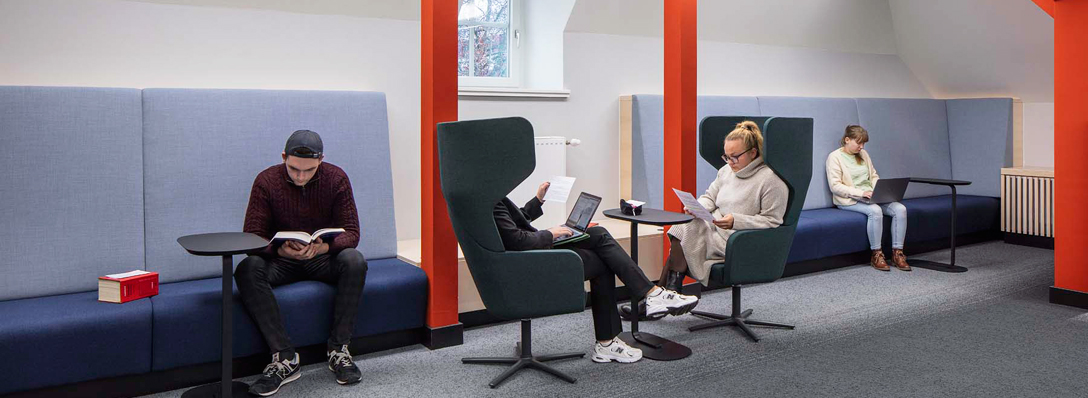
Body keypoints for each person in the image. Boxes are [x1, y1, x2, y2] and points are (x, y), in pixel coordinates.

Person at [495, 183, 698, 364]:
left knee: (597, 235)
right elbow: (517, 241)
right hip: (527, 263)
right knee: (602, 255)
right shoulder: (491, 201)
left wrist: (538, 201)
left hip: (528, 252)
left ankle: (649, 296)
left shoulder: (487, 195)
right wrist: (551, 234)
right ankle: (616, 331)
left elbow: (514, 225)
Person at [235, 130, 368, 396]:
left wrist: (324, 247)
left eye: (308, 170)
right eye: (294, 169)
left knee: (355, 260)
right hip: (282, 262)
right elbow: (252, 236)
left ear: (321, 160)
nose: (300, 176)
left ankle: (338, 350)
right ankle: (285, 358)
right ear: (284, 157)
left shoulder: (336, 178)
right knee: (247, 268)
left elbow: (352, 233)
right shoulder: (266, 181)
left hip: (321, 259)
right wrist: (280, 251)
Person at [661, 121, 789, 289]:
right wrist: (697, 207)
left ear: (753, 153)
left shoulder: (771, 180)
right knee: (682, 228)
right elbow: (710, 197)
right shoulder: (725, 171)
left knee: (682, 242)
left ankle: (663, 296)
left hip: (739, 238)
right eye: (727, 156)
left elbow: (772, 220)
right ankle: (667, 294)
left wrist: (735, 221)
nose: (730, 162)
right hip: (715, 228)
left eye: (735, 156)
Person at [825, 125, 910, 272]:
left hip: (871, 196)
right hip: (849, 199)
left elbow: (874, 176)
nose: (862, 147)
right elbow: (835, 186)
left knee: (900, 209)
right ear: (847, 140)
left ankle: (898, 254)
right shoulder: (834, 157)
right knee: (875, 211)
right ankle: (876, 255)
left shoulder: (864, 154)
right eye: (859, 143)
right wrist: (860, 193)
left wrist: (879, 190)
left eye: (863, 143)